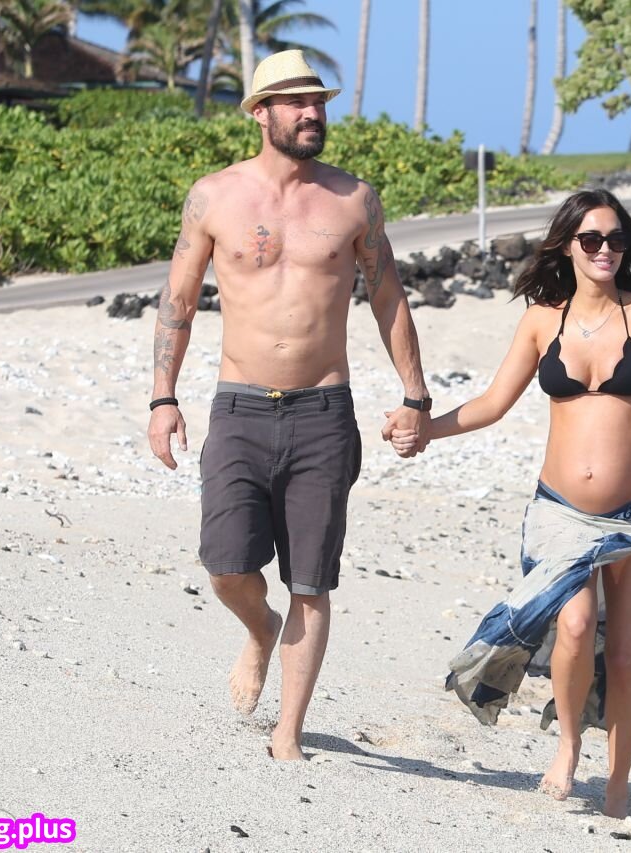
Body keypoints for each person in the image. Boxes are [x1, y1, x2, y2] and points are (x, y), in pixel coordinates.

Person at [147, 50, 432, 762]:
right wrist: (163, 397)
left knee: (311, 579)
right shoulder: (214, 197)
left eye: (319, 102)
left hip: (322, 413)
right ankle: (258, 629)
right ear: (260, 112)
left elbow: (388, 295)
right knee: (225, 566)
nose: (312, 113)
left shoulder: (353, 198)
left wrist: (415, 395)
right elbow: (179, 300)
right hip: (238, 408)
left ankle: (288, 732)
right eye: (297, 102)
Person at [392, 189, 631, 818]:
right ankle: (568, 745)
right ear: (568, 246)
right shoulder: (540, 320)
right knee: (573, 626)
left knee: (626, 657)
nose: (605, 250)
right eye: (592, 239)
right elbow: (493, 403)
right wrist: (426, 431)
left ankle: (618, 784)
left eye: (616, 239)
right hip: (559, 512)